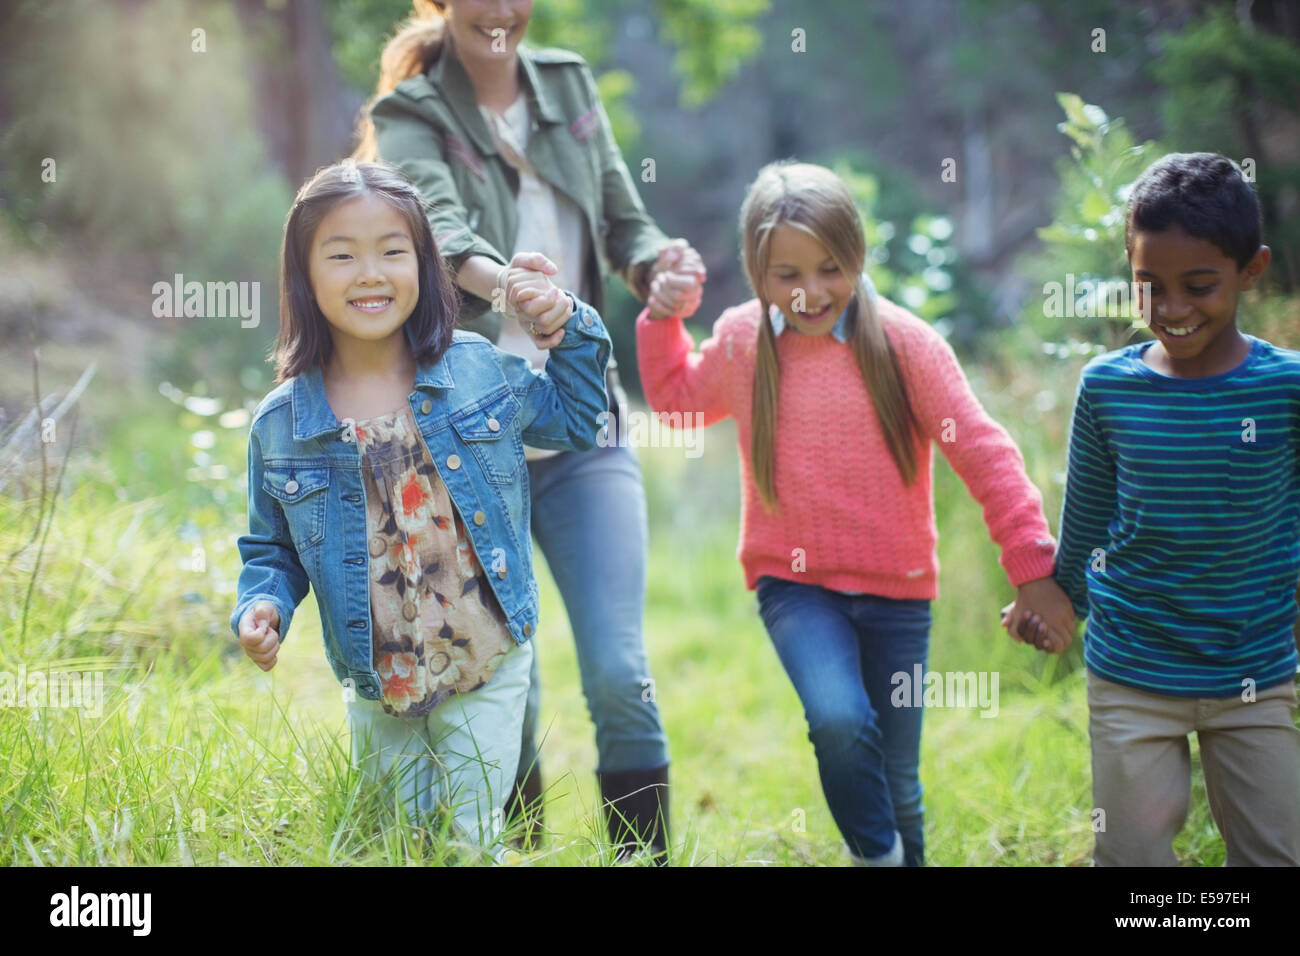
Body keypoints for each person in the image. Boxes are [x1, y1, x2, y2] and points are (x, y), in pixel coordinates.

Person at [635, 160, 1074, 866]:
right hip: (796, 585)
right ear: (756, 270)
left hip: (899, 594)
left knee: (898, 778)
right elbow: (678, 404)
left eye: (830, 268)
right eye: (788, 275)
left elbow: (984, 453)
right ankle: (879, 857)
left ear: (857, 256)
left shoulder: (908, 345)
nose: (811, 292)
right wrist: (663, 319)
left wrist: (1031, 567)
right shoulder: (747, 342)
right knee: (839, 719)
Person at [353, 0, 706, 861]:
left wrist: (662, 268)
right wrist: (515, 287)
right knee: (512, 678)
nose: (501, 9)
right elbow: (434, 229)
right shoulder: (411, 112)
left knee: (620, 672)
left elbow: (625, 221)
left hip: (583, 427)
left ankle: (643, 857)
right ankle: (521, 850)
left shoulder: (568, 84)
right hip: (470, 442)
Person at [230, 160, 611, 861]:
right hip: (379, 680)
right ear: (304, 277)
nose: (369, 272)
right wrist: (264, 606)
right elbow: (272, 550)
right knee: (392, 843)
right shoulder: (282, 423)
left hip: (486, 652)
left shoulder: (474, 369)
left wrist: (567, 321)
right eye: (341, 254)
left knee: (471, 835)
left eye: (392, 251)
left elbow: (581, 420)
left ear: (425, 265)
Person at [1045, 152, 1300, 866]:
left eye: (1199, 286)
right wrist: (1055, 597)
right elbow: (1089, 515)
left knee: (1275, 855)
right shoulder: (1109, 389)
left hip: (1255, 673)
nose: (1172, 309)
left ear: (1251, 270)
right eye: (1148, 287)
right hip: (1133, 669)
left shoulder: (1286, 390)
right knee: (1129, 857)